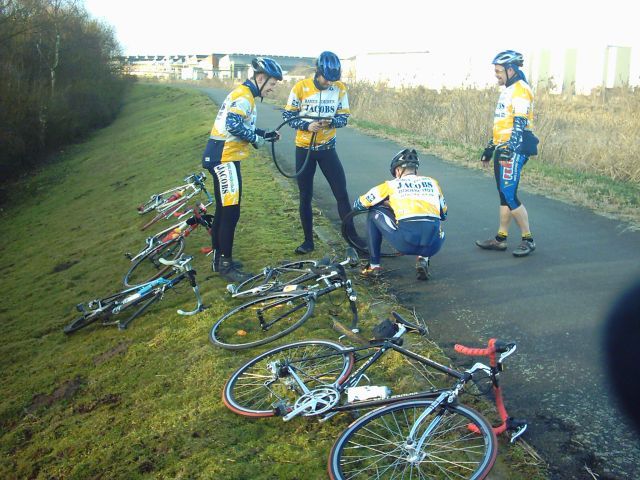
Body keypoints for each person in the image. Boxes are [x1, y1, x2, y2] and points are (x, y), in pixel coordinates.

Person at [202, 57, 283, 282]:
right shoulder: (243, 97)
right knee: (230, 212)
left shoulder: (245, 95)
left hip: (224, 156)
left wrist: (264, 134)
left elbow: (243, 124)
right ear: (260, 77)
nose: (273, 87)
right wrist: (257, 139)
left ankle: (220, 259)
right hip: (224, 157)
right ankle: (225, 265)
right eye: (272, 83)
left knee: (223, 210)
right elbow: (233, 125)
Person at [282, 51, 356, 254]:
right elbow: (288, 115)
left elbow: (343, 118)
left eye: (333, 80)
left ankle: (353, 238)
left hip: (327, 149)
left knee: (341, 193)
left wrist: (332, 121)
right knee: (305, 196)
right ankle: (308, 242)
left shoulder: (339, 89)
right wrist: (307, 126)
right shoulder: (301, 87)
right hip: (304, 149)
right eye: (326, 79)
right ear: (318, 72)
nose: (329, 83)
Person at [476, 50, 539, 257]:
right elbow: (502, 125)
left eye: (498, 71)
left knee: (510, 194)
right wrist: (490, 148)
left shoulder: (520, 89)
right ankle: (501, 239)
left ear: (510, 70)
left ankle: (528, 240)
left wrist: (510, 149)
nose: (496, 75)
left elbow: (519, 122)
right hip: (503, 146)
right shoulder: (508, 90)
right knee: (504, 195)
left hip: (516, 148)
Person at [352, 148, 447, 280]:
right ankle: (423, 259)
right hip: (433, 245)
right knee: (433, 221)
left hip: (405, 243)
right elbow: (444, 214)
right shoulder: (433, 183)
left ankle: (373, 267)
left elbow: (359, 204)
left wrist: (386, 204)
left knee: (373, 212)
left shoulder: (390, 185)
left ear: (397, 171)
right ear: (415, 170)